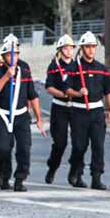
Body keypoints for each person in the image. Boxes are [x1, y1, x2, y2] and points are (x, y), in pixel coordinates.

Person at [0, 36, 46, 192]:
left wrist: (39, 118)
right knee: (3, 149)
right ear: (4, 57)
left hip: (22, 115)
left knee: (24, 148)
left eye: (16, 54)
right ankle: (4, 176)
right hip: (4, 115)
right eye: (9, 55)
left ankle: (20, 178)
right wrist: (6, 77)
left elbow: (33, 95)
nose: (13, 57)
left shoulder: (25, 70)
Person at [65, 32, 110, 190]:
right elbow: (66, 90)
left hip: (97, 111)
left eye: (93, 46)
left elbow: (108, 91)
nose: (91, 50)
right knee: (79, 146)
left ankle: (96, 177)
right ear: (82, 48)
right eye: (88, 47)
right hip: (79, 112)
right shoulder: (74, 67)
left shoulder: (102, 69)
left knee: (98, 146)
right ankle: (76, 172)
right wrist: (78, 93)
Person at [44, 35, 78, 184]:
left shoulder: (77, 66)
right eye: (66, 48)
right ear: (60, 50)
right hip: (60, 107)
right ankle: (52, 167)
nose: (69, 51)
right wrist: (63, 94)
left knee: (79, 143)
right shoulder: (54, 66)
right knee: (60, 143)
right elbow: (49, 88)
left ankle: (76, 173)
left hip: (76, 108)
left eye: (71, 48)